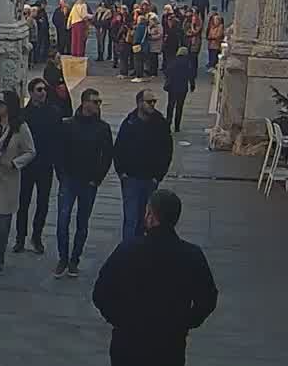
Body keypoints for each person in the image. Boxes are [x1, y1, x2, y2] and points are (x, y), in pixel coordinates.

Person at [93, 189, 219, 366]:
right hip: (169, 346)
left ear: (151, 216)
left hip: (129, 343)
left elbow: (101, 293)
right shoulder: (191, 256)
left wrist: (120, 320)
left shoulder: (128, 250)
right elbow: (208, 299)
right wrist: (186, 321)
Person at [0, 88, 37, 279]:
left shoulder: (21, 128)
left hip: (8, 180)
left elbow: (30, 151)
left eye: (1, 103)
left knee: (2, 225)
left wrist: (15, 163)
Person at [56, 87, 115, 278]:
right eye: (95, 101)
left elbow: (107, 156)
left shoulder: (102, 128)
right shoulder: (68, 125)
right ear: (84, 103)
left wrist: (97, 179)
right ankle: (63, 258)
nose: (98, 105)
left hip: (88, 182)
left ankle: (74, 260)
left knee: (82, 222)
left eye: (99, 102)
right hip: (69, 179)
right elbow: (60, 152)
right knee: (62, 221)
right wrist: (62, 175)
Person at [15, 78, 69, 255]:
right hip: (27, 165)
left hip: (45, 164)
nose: (43, 93)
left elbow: (59, 139)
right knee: (23, 202)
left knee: (42, 203)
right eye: (39, 90)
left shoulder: (53, 112)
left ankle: (36, 236)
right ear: (31, 92)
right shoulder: (23, 115)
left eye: (44, 89)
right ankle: (20, 238)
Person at [114, 89, 173, 243]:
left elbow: (167, 150)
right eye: (149, 101)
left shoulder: (160, 123)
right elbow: (119, 148)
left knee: (146, 219)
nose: (153, 104)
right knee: (131, 219)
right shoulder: (129, 122)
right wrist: (122, 173)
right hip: (131, 179)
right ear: (140, 103)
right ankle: (128, 253)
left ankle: (141, 250)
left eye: (154, 101)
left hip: (150, 179)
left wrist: (158, 176)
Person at [162, 42, 194, 136]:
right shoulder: (188, 63)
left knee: (170, 105)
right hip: (182, 87)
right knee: (179, 106)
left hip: (172, 87)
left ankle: (168, 123)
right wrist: (192, 85)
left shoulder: (173, 61)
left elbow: (167, 71)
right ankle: (177, 126)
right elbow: (191, 75)